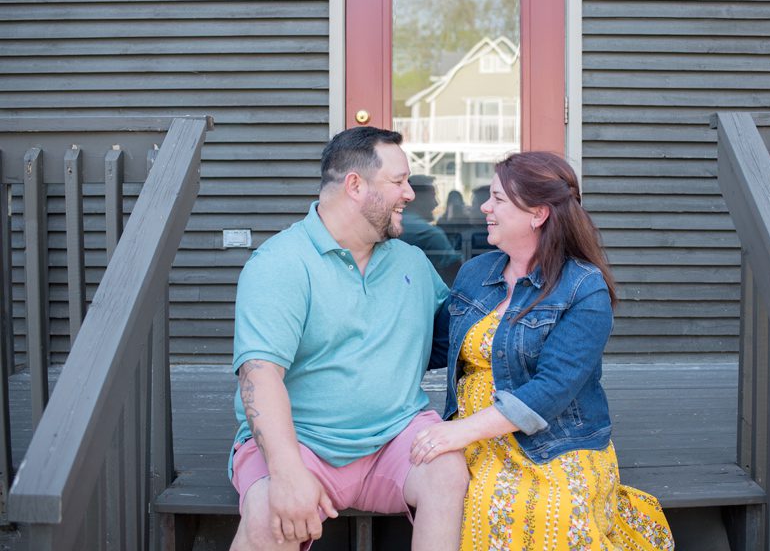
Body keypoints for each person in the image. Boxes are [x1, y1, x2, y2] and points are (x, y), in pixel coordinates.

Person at [416, 152, 674, 550]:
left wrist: (458, 432)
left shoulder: (583, 287)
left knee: (546, 515)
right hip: (476, 439)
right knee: (471, 502)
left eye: (498, 199)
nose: (485, 206)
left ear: (537, 214)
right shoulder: (476, 273)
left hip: (553, 440)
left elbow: (553, 388)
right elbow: (435, 346)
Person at [228, 127, 468, 551]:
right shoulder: (281, 264)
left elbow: (463, 337)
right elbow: (259, 377)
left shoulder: (411, 261)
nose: (410, 194)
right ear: (355, 186)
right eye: (399, 182)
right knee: (268, 512)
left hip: (396, 437)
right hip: (303, 443)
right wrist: (286, 474)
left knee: (448, 471)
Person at [400, 174, 462, 281]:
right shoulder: (430, 234)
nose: (436, 203)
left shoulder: (389, 225)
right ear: (417, 199)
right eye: (432, 197)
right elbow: (458, 274)